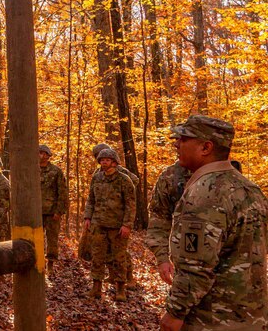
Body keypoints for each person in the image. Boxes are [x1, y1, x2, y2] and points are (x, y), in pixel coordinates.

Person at [160, 115, 268, 331]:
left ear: (206, 147)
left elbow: (196, 268)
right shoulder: (251, 190)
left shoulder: (205, 194)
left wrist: (174, 313)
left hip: (211, 320)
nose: (176, 143)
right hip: (254, 318)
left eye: (184, 139)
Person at [84, 147, 136, 301]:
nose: (104, 162)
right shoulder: (97, 178)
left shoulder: (124, 180)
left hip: (117, 226)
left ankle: (120, 289)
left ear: (114, 162)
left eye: (107, 160)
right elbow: (91, 200)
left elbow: (130, 205)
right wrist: (87, 217)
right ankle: (96, 288)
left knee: (119, 258)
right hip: (98, 224)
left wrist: (127, 225)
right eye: (102, 160)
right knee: (97, 256)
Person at [145, 160, 190, 285]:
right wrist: (162, 258)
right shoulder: (171, 176)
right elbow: (159, 218)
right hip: (185, 268)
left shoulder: (230, 177)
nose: (177, 144)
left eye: (185, 140)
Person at [39, 144, 69, 274]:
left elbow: (62, 192)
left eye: (42, 153)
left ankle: (50, 265)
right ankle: (38, 262)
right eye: (38, 153)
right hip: (35, 212)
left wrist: (59, 211)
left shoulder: (56, 171)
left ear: (47, 155)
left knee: (52, 239)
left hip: (52, 212)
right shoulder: (31, 170)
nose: (39, 155)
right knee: (36, 239)